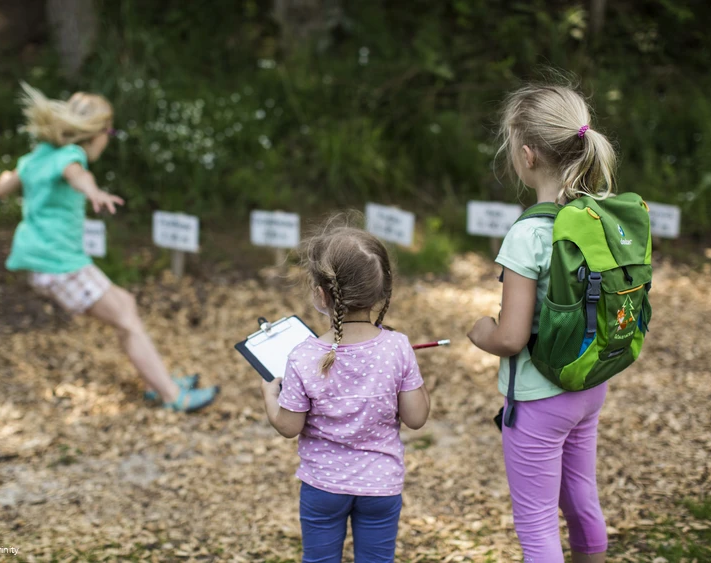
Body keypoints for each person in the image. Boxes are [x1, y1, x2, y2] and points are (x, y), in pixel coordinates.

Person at [0, 82, 219, 412]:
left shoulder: (36, 157)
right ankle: (172, 396)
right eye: (108, 132)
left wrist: (3, 181)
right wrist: (93, 192)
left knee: (125, 305)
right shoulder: (71, 156)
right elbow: (76, 174)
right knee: (126, 318)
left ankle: (158, 382)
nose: (107, 139)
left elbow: (4, 187)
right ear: (95, 133)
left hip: (45, 261)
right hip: (59, 262)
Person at [467, 82, 617, 562]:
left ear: (527, 156)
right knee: (581, 500)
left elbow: (511, 337)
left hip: (538, 399)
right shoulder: (596, 217)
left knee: (536, 528)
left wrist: (479, 331)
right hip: (590, 382)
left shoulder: (528, 234)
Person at [261, 220, 431, 563]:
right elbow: (416, 417)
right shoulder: (398, 348)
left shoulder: (304, 355)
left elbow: (289, 426)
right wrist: (413, 377)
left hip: (322, 486)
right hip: (381, 486)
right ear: (382, 290)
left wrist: (269, 393)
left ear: (321, 295)